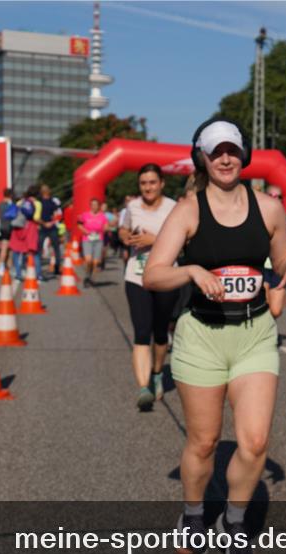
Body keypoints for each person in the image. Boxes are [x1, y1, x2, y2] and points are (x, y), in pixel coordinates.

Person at [144, 118, 286, 554]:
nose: (226, 159)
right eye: (216, 152)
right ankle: (194, 514)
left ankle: (234, 522)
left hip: (255, 334)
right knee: (205, 442)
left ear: (244, 153)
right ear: (202, 158)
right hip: (202, 336)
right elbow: (154, 274)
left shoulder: (269, 208)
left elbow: (283, 256)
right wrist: (191, 271)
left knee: (254, 442)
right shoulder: (188, 211)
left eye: (232, 149)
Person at [119, 164, 178, 408]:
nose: (148, 187)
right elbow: (123, 229)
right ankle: (144, 388)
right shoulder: (132, 207)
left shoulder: (174, 208)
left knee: (161, 332)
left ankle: (156, 374)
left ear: (161, 183)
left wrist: (153, 240)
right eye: (143, 183)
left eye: (152, 182)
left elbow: (184, 242)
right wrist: (126, 237)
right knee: (142, 333)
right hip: (137, 276)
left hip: (166, 277)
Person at [262, 184, 286, 319]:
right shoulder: (256, 217)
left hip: (279, 268)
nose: (275, 198)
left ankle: (267, 326)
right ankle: (264, 330)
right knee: (263, 303)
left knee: (276, 310)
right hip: (261, 266)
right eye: (271, 195)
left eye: (278, 196)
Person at [10, 189, 41, 281]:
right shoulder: (37, 203)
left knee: (16, 251)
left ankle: (18, 274)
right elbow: (36, 217)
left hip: (18, 228)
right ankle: (38, 274)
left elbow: (14, 214)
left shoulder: (20, 202)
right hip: (31, 228)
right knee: (34, 252)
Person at [77, 198, 107, 285]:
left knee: (95, 262)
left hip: (98, 240)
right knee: (88, 260)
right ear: (90, 206)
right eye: (92, 205)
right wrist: (85, 231)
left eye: (96, 205)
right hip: (87, 239)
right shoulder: (85, 215)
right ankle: (87, 275)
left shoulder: (102, 216)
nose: (94, 206)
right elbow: (79, 224)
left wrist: (104, 229)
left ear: (99, 206)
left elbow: (106, 226)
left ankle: (92, 279)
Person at [37, 185, 62, 280]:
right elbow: (57, 215)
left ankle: (38, 269)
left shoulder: (39, 202)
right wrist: (51, 222)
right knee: (56, 248)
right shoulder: (52, 202)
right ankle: (57, 268)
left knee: (39, 248)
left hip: (42, 226)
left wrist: (44, 223)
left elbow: (37, 216)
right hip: (51, 227)